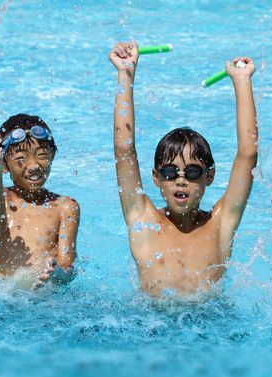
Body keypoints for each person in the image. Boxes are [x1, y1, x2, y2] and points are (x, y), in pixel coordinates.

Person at [109, 41, 259, 297]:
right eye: (170, 172)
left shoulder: (220, 223)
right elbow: (124, 150)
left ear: (209, 176)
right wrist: (125, 75)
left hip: (208, 328)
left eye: (192, 172)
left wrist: (242, 81)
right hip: (151, 328)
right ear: (156, 178)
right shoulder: (143, 219)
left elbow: (248, 155)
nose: (180, 180)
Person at [0, 114, 79, 288]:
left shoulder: (65, 207)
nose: (33, 166)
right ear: (4, 164)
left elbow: (67, 268)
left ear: (53, 155)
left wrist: (56, 273)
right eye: (21, 158)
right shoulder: (0, 198)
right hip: (2, 296)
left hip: (45, 297)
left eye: (41, 155)